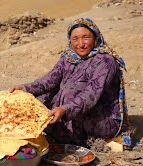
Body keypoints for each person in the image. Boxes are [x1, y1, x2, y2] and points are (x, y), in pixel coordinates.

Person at [9, 18, 128, 146]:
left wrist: (65, 109)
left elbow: (91, 94)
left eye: (86, 37)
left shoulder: (106, 61)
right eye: (75, 39)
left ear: (95, 38)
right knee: (38, 99)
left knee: (70, 92)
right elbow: (49, 81)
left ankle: (70, 138)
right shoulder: (68, 57)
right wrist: (24, 88)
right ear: (69, 40)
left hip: (101, 118)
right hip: (68, 108)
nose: (80, 44)